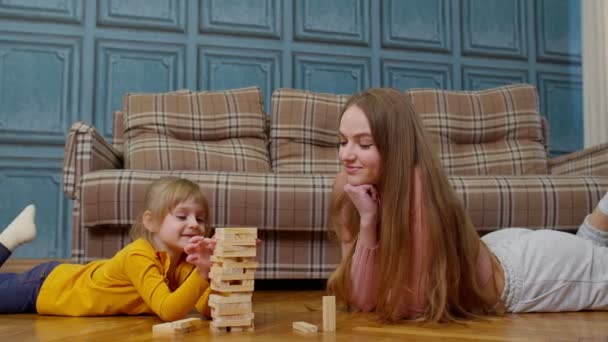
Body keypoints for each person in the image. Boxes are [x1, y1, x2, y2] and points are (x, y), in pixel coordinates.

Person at [327, 88, 608, 323]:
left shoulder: (417, 184)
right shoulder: (348, 185)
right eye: (342, 141)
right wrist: (367, 221)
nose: (346, 155)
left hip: (529, 275)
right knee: (589, 252)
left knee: (594, 261)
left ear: (396, 146)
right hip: (497, 248)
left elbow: (414, 306)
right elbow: (360, 299)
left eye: (364, 144)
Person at [0, 177, 218, 321]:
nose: (194, 224)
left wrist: (221, 269)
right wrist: (202, 272)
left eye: (201, 218)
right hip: (46, 287)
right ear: (151, 222)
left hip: (54, 282)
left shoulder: (183, 262)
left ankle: (8, 239)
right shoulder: (138, 255)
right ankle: (8, 240)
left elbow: (208, 308)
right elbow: (167, 309)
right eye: (182, 216)